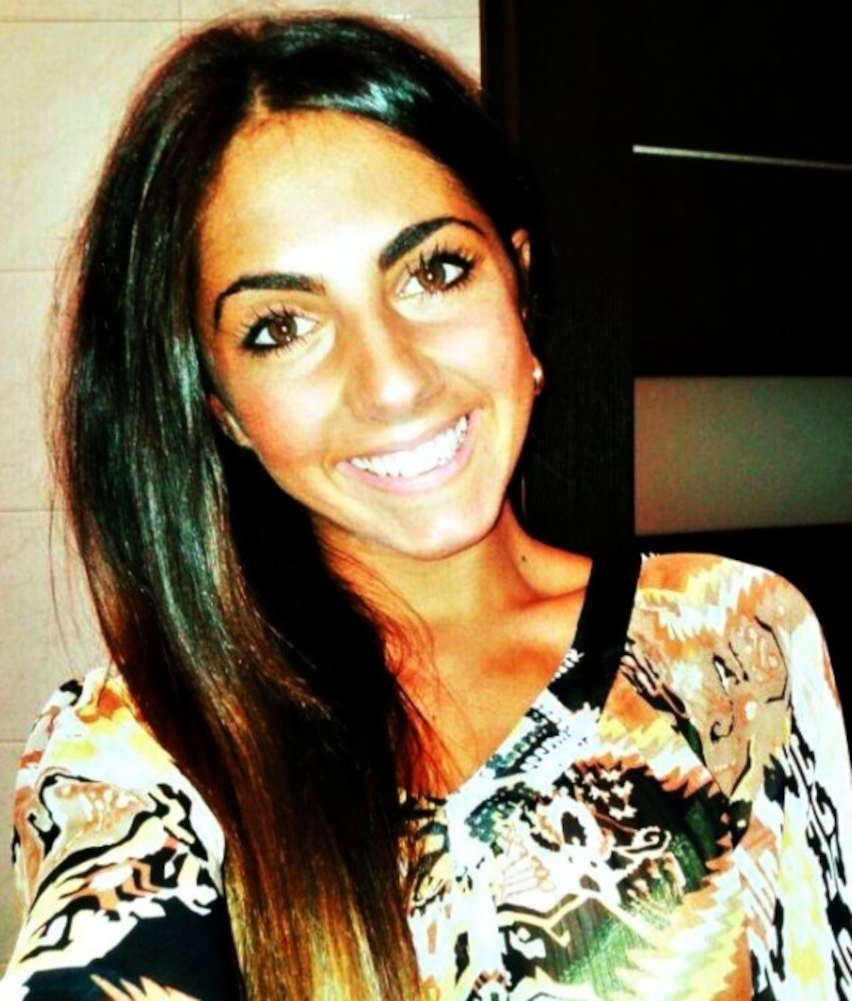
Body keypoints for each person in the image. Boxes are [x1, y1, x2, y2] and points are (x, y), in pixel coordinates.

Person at [1, 12, 851, 1001]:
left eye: (434, 270)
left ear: (518, 284)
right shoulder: (141, 741)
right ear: (222, 407)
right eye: (281, 326)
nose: (393, 381)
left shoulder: (733, 636)